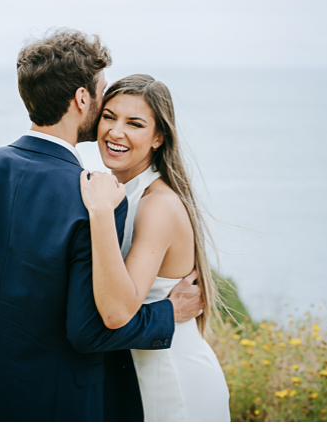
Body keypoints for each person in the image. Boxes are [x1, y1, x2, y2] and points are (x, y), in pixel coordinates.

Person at [0, 31, 203, 423]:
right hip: (56, 403)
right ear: (83, 99)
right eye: (103, 93)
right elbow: (88, 330)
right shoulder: (94, 196)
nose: (105, 104)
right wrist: (165, 314)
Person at [80, 74, 231, 422]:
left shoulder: (157, 205)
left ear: (158, 138)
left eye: (134, 123)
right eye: (109, 116)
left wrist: (100, 214)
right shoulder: (123, 191)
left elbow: (118, 312)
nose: (116, 132)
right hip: (136, 377)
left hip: (170, 379)